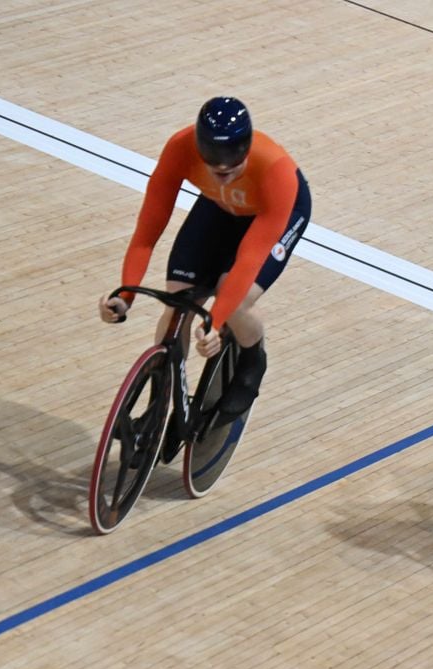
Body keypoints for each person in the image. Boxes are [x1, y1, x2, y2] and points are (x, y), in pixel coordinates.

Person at [98, 96, 311, 439]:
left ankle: (251, 359)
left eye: (233, 170)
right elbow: (146, 234)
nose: (224, 177)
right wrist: (125, 295)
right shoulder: (180, 149)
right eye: (215, 171)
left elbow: (250, 258)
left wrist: (218, 321)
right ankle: (157, 408)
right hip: (220, 210)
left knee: (234, 296)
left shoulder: (276, 171)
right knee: (177, 300)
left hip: (276, 214)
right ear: (200, 153)